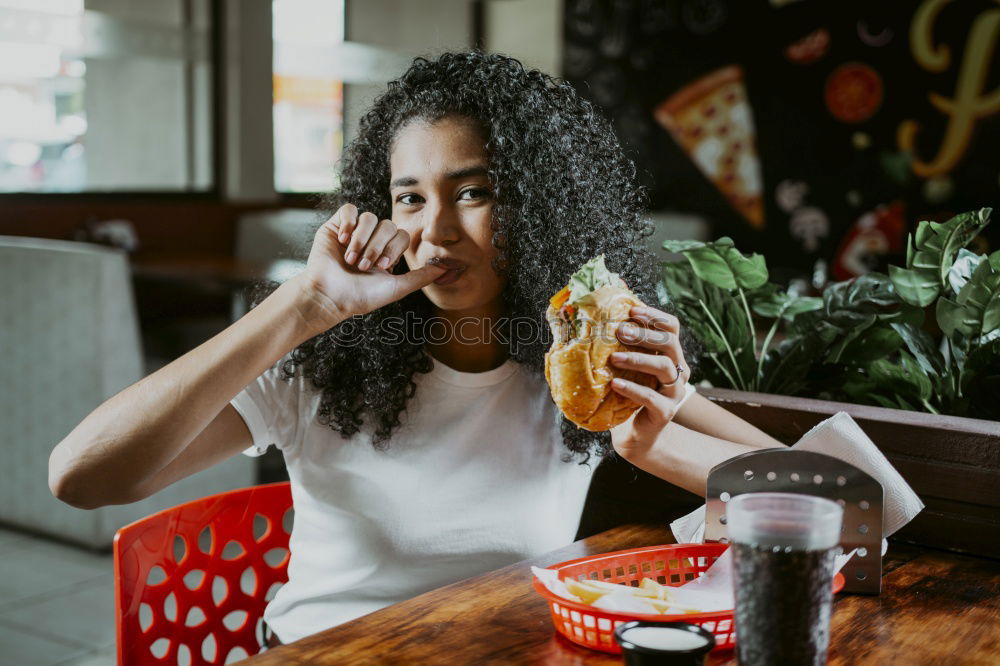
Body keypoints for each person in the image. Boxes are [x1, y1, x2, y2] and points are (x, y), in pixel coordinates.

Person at [48, 51, 782, 646]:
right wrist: (304, 307)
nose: (435, 231)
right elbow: (81, 478)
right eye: (409, 198)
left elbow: (830, 504)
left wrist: (676, 402)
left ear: (541, 205)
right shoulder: (325, 368)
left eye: (472, 193)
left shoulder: (582, 377)